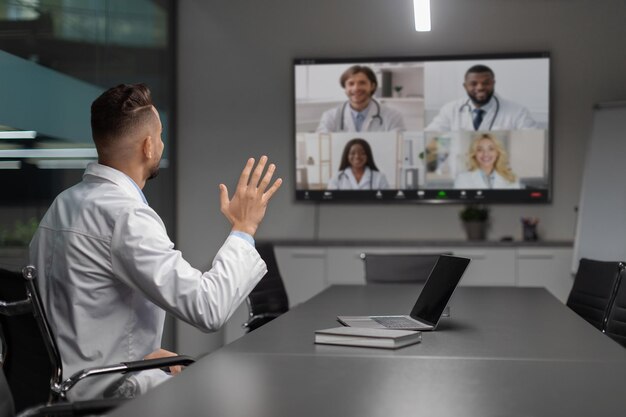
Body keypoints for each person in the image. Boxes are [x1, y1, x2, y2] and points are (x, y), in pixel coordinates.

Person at [29, 84, 282, 400]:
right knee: (240, 392)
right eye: (160, 136)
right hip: (109, 397)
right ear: (149, 146)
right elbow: (208, 308)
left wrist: (140, 355)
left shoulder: (62, 206)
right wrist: (244, 228)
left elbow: (79, 317)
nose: (162, 144)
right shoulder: (127, 216)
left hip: (67, 389)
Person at [425, 64, 537, 131]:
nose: (480, 88)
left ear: (493, 83)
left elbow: (532, 143)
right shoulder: (450, 110)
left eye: (486, 83)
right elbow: (431, 137)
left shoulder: (518, 112)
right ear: (465, 86)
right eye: (473, 83)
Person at [316, 65, 405, 133]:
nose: (356, 88)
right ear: (345, 88)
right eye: (351, 84)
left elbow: (399, 148)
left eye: (362, 83)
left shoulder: (393, 116)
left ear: (372, 86)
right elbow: (322, 147)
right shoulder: (330, 117)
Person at [454, 133, 521, 189]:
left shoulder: (511, 178)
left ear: (497, 153)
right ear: (474, 154)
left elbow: (516, 204)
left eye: (491, 149)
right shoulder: (462, 179)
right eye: (480, 149)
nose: (485, 154)